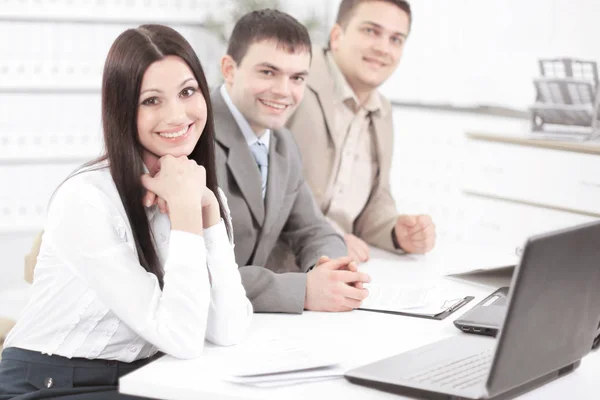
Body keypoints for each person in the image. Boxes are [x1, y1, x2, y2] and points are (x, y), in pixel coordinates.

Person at [0, 24, 252, 399]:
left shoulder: (197, 190)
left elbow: (227, 330)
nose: (176, 114)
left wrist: (210, 214)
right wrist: (185, 214)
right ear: (122, 110)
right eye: (151, 100)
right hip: (47, 381)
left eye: (187, 91)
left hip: (143, 377)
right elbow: (182, 338)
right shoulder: (85, 199)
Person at [212, 9, 371, 314]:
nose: (284, 91)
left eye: (297, 77)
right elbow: (195, 273)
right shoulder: (191, 135)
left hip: (251, 327)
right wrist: (303, 290)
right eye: (268, 72)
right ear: (230, 70)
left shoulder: (282, 143)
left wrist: (331, 270)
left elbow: (314, 229)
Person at [287, 0, 436, 263]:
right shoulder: (293, 83)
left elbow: (374, 201)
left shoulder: (382, 111)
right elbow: (260, 189)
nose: (383, 49)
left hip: (342, 267)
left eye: (396, 39)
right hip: (284, 268)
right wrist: (326, 236)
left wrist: (396, 231)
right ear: (337, 36)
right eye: (370, 31)